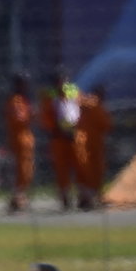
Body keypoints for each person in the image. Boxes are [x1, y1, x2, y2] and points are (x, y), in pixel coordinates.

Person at [39, 67, 86, 210]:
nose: (61, 84)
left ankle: (83, 196)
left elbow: (82, 108)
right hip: (58, 137)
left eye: (63, 81)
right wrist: (54, 129)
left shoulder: (74, 92)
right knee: (61, 169)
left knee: (80, 166)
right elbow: (45, 117)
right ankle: (65, 196)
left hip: (74, 135)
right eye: (58, 81)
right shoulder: (49, 96)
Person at [76, 85, 113, 210]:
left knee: (83, 171)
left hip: (80, 141)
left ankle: (84, 196)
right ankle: (93, 197)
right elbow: (106, 125)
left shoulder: (82, 101)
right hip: (94, 143)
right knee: (95, 171)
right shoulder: (96, 105)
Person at [3, 74, 35, 212]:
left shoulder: (23, 100)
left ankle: (19, 197)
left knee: (26, 170)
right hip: (19, 139)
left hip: (24, 139)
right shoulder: (16, 101)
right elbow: (20, 118)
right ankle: (18, 197)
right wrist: (32, 113)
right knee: (21, 170)